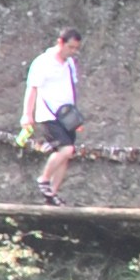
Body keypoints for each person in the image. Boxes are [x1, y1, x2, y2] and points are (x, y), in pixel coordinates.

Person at [20, 24, 85, 203]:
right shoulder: (43, 62)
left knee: (67, 155)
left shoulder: (70, 63)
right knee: (66, 149)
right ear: (60, 42)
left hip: (67, 116)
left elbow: (71, 89)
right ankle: (44, 179)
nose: (72, 51)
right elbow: (32, 89)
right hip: (49, 114)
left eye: (76, 48)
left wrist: (75, 119)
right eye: (70, 47)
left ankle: (52, 195)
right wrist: (27, 114)